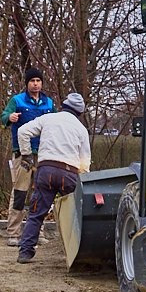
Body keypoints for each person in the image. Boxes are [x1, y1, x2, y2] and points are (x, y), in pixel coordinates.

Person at [15, 92, 91, 264]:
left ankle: (25, 252)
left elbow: (23, 131)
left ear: (63, 105)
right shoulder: (81, 130)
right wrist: (82, 181)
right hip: (69, 174)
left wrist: (27, 155)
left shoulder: (48, 119)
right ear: (79, 112)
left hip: (46, 171)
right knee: (72, 216)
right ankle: (74, 255)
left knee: (36, 213)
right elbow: (85, 161)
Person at [0, 68, 56, 246]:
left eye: (38, 80)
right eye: (32, 81)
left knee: (41, 194)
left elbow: (56, 124)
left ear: (42, 83)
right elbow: (3, 117)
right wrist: (11, 117)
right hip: (22, 154)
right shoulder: (17, 100)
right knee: (20, 192)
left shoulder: (49, 103)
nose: (35, 84)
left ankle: (37, 233)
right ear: (27, 83)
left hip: (44, 153)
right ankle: (13, 233)